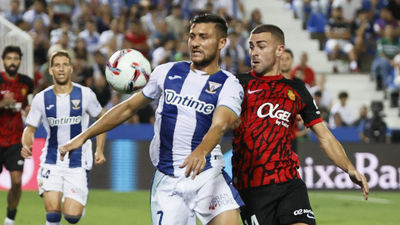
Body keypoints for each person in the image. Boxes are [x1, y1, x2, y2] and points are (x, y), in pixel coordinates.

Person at [59, 14, 244, 225]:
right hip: (167, 181)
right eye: (192, 36)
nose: (195, 42)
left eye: (203, 37)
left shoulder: (229, 84)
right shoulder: (166, 72)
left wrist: (202, 150)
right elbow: (127, 107)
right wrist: (84, 137)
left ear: (221, 43)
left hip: (207, 174)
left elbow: (220, 124)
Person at [232, 24, 369, 225]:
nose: (254, 52)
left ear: (279, 50)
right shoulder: (237, 84)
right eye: (251, 47)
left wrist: (349, 168)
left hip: (289, 182)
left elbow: (324, 135)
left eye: (261, 46)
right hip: (252, 186)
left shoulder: (297, 90)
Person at [20, 50, 107, 225]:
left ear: (71, 69)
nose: (61, 69)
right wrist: (26, 145)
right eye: (57, 65)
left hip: (78, 161)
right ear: (51, 70)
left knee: (72, 217)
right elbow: (29, 130)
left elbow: (103, 120)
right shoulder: (41, 98)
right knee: (52, 214)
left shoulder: (85, 94)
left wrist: (99, 149)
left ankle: (77, 206)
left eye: (65, 65)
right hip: (51, 160)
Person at [0, 45, 34, 225]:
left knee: (16, 181)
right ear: (3, 61)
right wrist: (2, 103)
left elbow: (30, 105)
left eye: (16, 58)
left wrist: (30, 109)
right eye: (9, 58)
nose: (13, 62)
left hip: (15, 140)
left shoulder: (27, 83)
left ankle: (9, 219)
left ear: (20, 61)